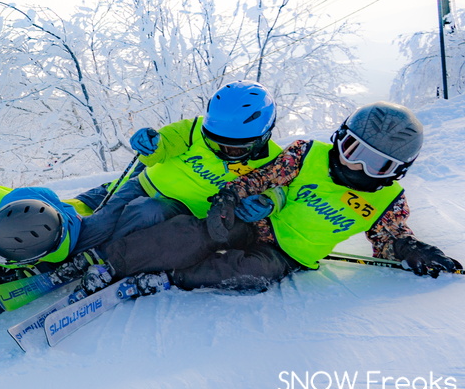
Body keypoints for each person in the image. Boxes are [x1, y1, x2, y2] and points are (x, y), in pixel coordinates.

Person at [77, 101, 462, 296]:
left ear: (397, 171)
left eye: (376, 164)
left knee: (250, 274)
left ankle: (167, 277)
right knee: (192, 232)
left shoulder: (387, 201)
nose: (356, 167)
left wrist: (411, 249)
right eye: (351, 149)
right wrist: (231, 196)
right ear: (339, 136)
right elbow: (262, 176)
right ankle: (111, 263)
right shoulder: (306, 155)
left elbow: (388, 240)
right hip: (253, 221)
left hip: (285, 255)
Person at [96, 80, 283, 239]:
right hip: (147, 185)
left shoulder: (276, 161)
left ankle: (103, 256)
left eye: (235, 149)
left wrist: (268, 202)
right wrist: (151, 144)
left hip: (189, 214)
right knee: (103, 218)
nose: (223, 152)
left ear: (262, 138)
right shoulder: (194, 128)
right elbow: (167, 141)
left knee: (146, 213)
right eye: (214, 143)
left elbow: (284, 189)